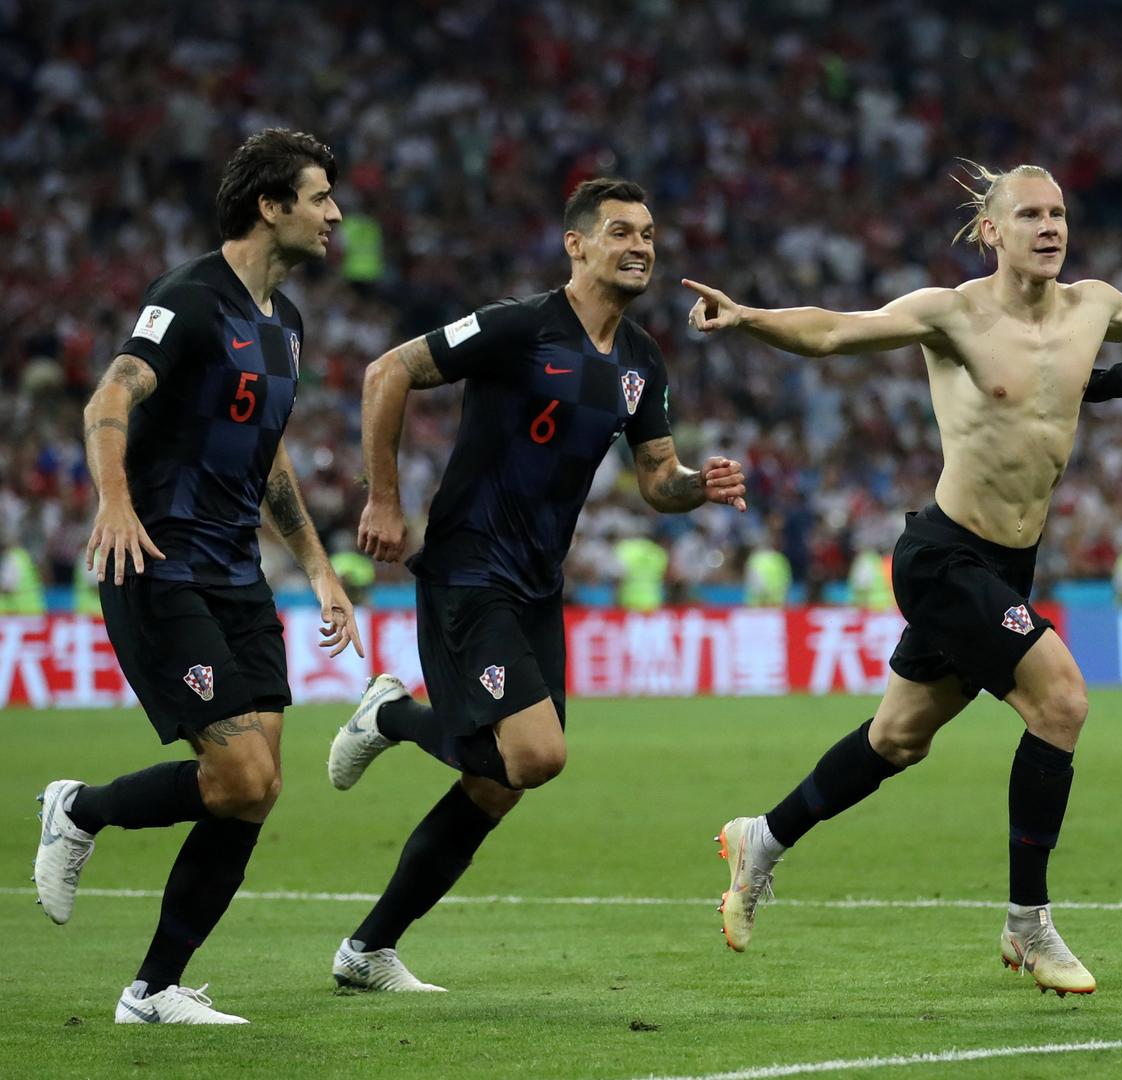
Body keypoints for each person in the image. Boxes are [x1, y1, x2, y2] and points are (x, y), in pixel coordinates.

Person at [684, 161, 1122, 997]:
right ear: (991, 231)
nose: (1049, 226)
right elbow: (837, 332)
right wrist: (748, 318)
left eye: (1057, 213)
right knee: (1061, 702)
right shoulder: (952, 314)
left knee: (896, 739)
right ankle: (1028, 924)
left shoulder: (1090, 306)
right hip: (943, 558)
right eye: (1029, 214)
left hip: (1009, 563)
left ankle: (761, 839)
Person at [325, 178, 746, 991]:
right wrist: (383, 497)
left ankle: (367, 949)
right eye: (620, 231)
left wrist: (698, 486)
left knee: (502, 782)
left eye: (648, 234)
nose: (640, 246)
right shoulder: (518, 326)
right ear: (575, 245)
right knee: (537, 752)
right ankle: (389, 715)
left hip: (536, 585)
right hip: (468, 567)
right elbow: (387, 372)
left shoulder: (640, 360)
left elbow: (656, 478)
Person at [33, 129, 364, 1025]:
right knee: (240, 776)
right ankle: (80, 810)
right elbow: (110, 395)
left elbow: (270, 458)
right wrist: (114, 503)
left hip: (236, 575)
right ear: (270, 205)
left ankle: (152, 990)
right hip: (159, 564)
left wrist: (320, 570)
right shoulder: (187, 298)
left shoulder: (287, 325)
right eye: (320, 197)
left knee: (255, 790)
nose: (335, 214)